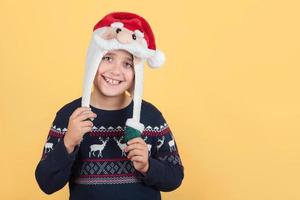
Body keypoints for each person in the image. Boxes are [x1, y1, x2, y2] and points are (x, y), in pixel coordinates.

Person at [35, 12, 184, 200]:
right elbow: (46, 183)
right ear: (93, 61)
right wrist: (68, 142)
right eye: (108, 58)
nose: (116, 71)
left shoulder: (151, 117)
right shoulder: (70, 117)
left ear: (136, 72)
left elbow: (175, 177)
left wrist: (148, 166)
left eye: (127, 64)